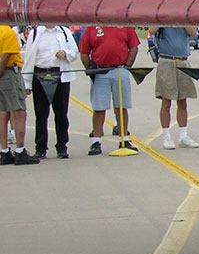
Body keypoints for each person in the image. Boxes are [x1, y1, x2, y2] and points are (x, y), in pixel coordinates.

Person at [21, 24, 79, 159]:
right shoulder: (35, 33)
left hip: (60, 76)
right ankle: (40, 148)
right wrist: (27, 82)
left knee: (61, 113)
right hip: (40, 75)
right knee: (41, 114)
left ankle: (62, 147)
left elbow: (74, 52)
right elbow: (29, 57)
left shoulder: (64, 32)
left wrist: (65, 53)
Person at [79, 25, 140, 155]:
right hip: (100, 71)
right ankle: (96, 141)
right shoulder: (91, 28)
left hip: (120, 69)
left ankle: (124, 139)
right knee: (99, 108)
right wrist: (91, 68)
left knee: (121, 106)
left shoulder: (125, 25)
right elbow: (84, 52)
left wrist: (127, 65)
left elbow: (134, 47)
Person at [147, 26, 199, 149]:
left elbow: (192, 33)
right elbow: (151, 30)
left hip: (183, 61)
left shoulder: (184, 19)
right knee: (166, 101)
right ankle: (166, 136)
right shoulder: (163, 18)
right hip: (167, 60)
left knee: (182, 102)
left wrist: (183, 20)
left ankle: (183, 136)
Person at [0, 24, 39, 165]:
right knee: (19, 112)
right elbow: (5, 56)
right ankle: (20, 151)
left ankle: (4, 151)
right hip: (9, 74)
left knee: (3, 113)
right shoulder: (8, 32)